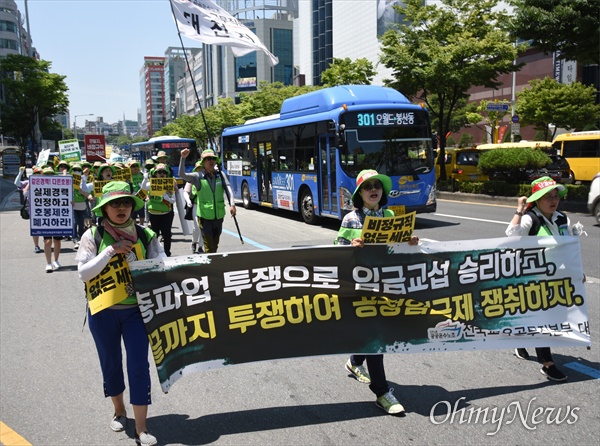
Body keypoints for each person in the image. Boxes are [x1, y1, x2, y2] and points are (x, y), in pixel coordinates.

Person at [76, 181, 165, 446]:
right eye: (115, 204)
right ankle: (119, 411)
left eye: (126, 203)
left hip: (137, 312)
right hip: (102, 312)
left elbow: (161, 267)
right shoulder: (92, 235)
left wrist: (141, 264)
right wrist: (111, 251)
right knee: (110, 362)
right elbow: (83, 273)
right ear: (104, 209)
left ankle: (141, 427)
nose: (122, 208)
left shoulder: (146, 235)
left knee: (139, 366)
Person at [336, 169, 418, 415]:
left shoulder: (391, 215)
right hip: (361, 287)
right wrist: (351, 247)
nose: (374, 189)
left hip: (388, 285)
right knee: (376, 337)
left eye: (377, 186)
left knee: (374, 334)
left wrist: (411, 242)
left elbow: (400, 249)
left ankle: (355, 361)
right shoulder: (350, 219)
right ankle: (382, 392)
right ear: (359, 194)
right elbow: (337, 253)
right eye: (367, 186)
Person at [505, 176, 576, 382]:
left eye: (555, 197)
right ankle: (547, 364)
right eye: (547, 197)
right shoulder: (530, 218)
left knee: (547, 315)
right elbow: (511, 236)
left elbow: (570, 245)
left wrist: (576, 270)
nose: (553, 201)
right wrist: (520, 209)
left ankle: (519, 339)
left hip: (556, 276)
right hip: (531, 277)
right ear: (537, 200)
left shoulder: (562, 218)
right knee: (541, 317)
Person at [178, 148, 236, 253]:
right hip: (204, 217)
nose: (211, 161)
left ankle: (212, 262)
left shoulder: (221, 175)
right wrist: (183, 158)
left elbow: (228, 189)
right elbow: (182, 175)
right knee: (209, 246)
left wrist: (232, 205)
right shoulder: (197, 176)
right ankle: (212, 266)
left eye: (213, 158)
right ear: (203, 162)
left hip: (218, 216)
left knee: (215, 245)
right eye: (208, 159)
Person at [140, 163, 176, 256]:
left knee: (167, 235)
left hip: (166, 213)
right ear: (155, 174)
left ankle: (167, 252)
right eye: (159, 172)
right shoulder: (151, 184)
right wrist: (145, 178)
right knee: (154, 235)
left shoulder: (169, 184)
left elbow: (173, 200)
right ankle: (155, 253)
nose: (162, 174)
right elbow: (143, 187)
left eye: (164, 172)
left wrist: (166, 197)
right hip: (154, 214)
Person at [39, 166, 64, 272]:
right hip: (46, 216)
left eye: (50, 175)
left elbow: (66, 198)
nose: (49, 177)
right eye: (46, 175)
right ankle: (48, 263)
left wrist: (71, 203)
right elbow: (25, 193)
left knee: (57, 240)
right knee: (48, 241)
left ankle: (56, 260)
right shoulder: (38, 187)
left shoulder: (60, 187)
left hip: (57, 216)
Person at [15, 166, 43, 253]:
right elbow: (17, 183)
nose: (38, 175)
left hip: (46, 209)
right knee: (35, 229)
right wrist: (20, 173)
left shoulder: (46, 182)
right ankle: (36, 246)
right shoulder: (29, 182)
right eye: (36, 174)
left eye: (40, 174)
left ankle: (47, 243)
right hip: (33, 209)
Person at [183, 160, 204, 254]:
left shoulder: (208, 178)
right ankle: (194, 242)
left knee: (204, 227)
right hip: (195, 205)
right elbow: (185, 192)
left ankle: (200, 246)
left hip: (206, 206)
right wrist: (188, 201)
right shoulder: (192, 179)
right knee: (196, 227)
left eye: (201, 168)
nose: (200, 170)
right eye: (198, 168)